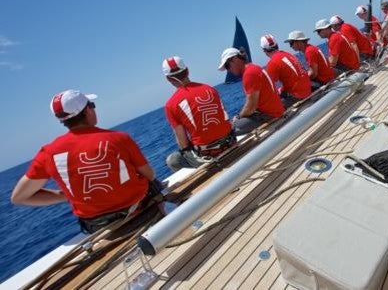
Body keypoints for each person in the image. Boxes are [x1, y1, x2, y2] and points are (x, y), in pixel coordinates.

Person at [11, 90, 162, 234]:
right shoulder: (118, 138)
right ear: (87, 111)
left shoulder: (47, 154)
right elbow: (150, 174)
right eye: (92, 105)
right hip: (141, 209)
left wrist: (67, 196)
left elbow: (19, 197)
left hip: (98, 226)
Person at [162, 56, 235, 172]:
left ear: (168, 79)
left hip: (207, 156)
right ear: (187, 71)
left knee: (173, 160)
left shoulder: (171, 105)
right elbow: (225, 117)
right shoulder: (210, 89)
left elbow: (183, 143)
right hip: (230, 142)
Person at [218, 47, 285, 135]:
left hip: (271, 115)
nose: (228, 70)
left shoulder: (249, 74)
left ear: (235, 59)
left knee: (232, 128)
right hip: (276, 110)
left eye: (227, 66)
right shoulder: (254, 67)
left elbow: (251, 107)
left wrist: (238, 117)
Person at [261, 34, 312, 108]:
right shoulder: (287, 54)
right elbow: (293, 77)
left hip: (298, 96)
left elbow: (268, 89)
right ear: (277, 45)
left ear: (264, 50)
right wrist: (281, 89)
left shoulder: (272, 63)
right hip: (307, 90)